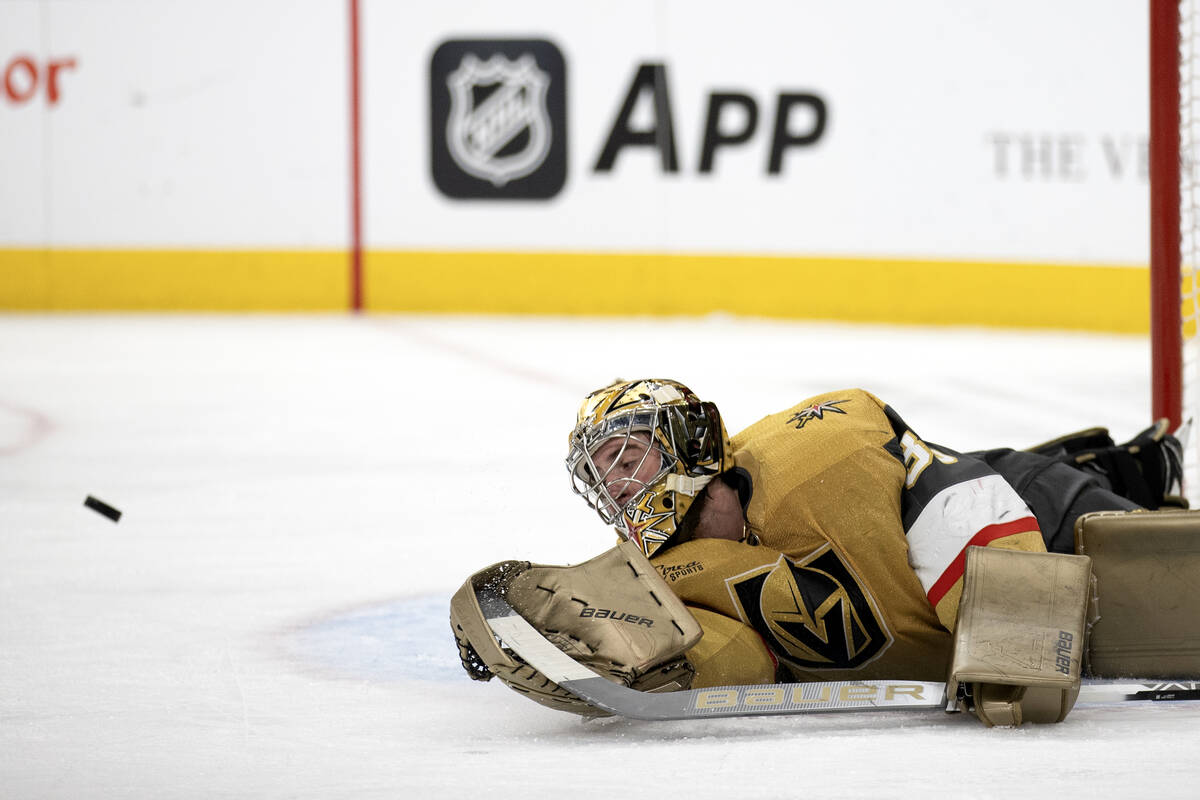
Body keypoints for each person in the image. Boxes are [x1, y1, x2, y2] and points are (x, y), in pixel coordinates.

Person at [563, 378, 1184, 685]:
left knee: (1157, 559)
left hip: (1026, 513)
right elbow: (731, 657)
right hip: (943, 554)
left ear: (689, 447)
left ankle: (1135, 467)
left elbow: (956, 493)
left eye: (627, 456)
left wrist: (1012, 623)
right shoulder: (659, 569)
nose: (615, 486)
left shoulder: (822, 459)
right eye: (601, 472)